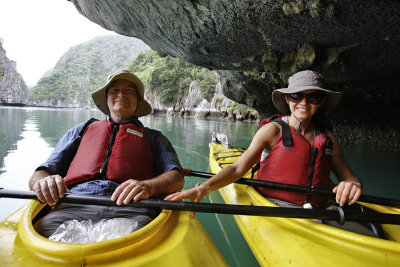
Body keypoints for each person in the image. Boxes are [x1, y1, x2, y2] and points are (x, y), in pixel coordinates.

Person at [166, 70, 370, 233]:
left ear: (322, 101)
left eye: (313, 97)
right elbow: (237, 168)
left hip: (320, 210)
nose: (304, 103)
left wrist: (351, 186)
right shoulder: (272, 130)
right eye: (297, 96)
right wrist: (204, 188)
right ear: (288, 99)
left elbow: (350, 178)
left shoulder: (327, 138)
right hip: (273, 205)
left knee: (375, 232)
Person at [29, 70, 184, 237]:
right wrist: (44, 182)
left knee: (136, 240)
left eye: (129, 91)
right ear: (107, 99)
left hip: (131, 209)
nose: (121, 95)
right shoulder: (81, 130)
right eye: (114, 91)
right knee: (42, 231)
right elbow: (39, 174)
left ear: (138, 101)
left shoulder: (155, 138)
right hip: (74, 205)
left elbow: (176, 178)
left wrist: (149, 186)